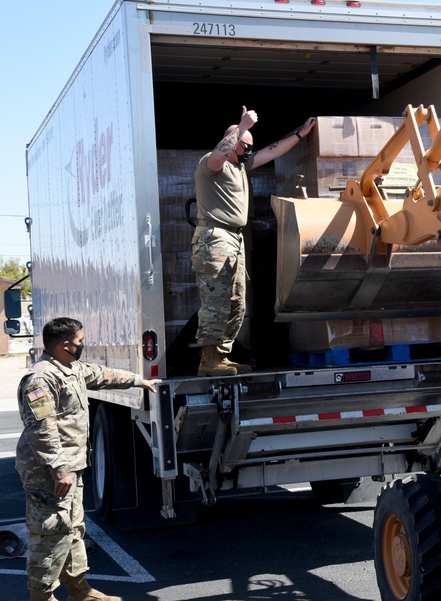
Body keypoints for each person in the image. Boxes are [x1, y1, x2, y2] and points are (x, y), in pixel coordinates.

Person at [16, 317, 161, 601]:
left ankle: (80, 592)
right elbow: (41, 429)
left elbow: (101, 374)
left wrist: (140, 381)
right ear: (66, 344)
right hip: (49, 472)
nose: (83, 345)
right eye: (80, 341)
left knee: (72, 530)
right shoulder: (41, 379)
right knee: (50, 534)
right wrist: (59, 470)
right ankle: (41, 598)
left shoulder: (71, 368)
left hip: (71, 467)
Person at [193, 107, 317, 376]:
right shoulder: (211, 165)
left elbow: (272, 151)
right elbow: (218, 154)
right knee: (216, 302)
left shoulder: (241, 166)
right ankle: (208, 359)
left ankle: (221, 356)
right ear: (233, 143)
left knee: (237, 302)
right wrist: (241, 125)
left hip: (234, 239)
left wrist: (300, 133)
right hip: (214, 238)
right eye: (244, 145)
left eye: (251, 146)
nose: (250, 150)